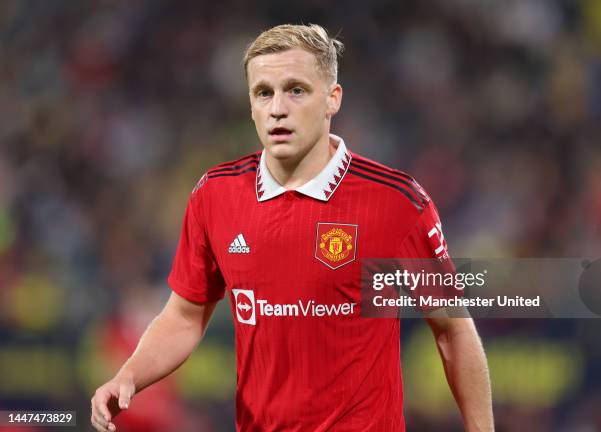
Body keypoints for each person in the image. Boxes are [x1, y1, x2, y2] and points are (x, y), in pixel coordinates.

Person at [91, 23, 494, 431]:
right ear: (250, 105)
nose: (277, 108)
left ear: (332, 100)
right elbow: (184, 316)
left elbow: (452, 331)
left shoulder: (396, 202)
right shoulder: (215, 195)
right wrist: (129, 375)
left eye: (296, 90)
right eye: (263, 92)